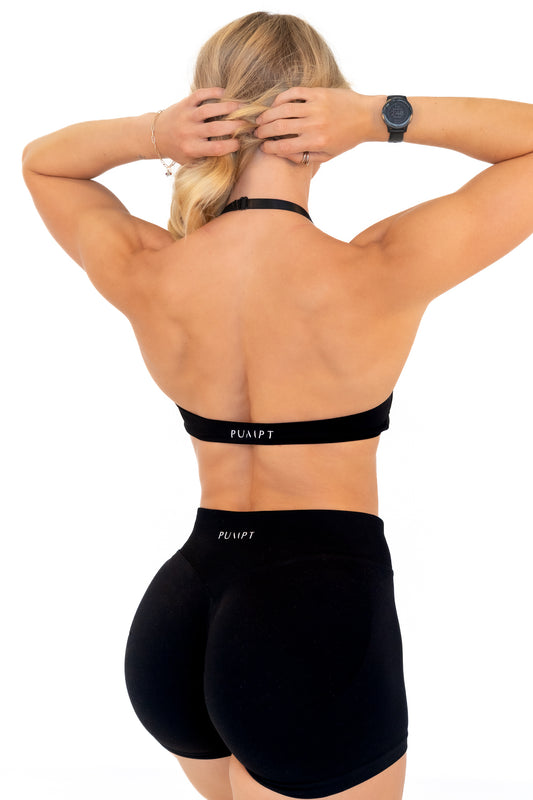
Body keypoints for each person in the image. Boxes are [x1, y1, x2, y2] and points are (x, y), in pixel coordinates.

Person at [21, 10, 533, 800]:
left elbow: (44, 165)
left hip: (184, 609)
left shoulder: (148, 266)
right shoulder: (383, 266)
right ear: (326, 111)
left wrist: (154, 133)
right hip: (310, 616)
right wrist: (382, 117)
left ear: (205, 109)